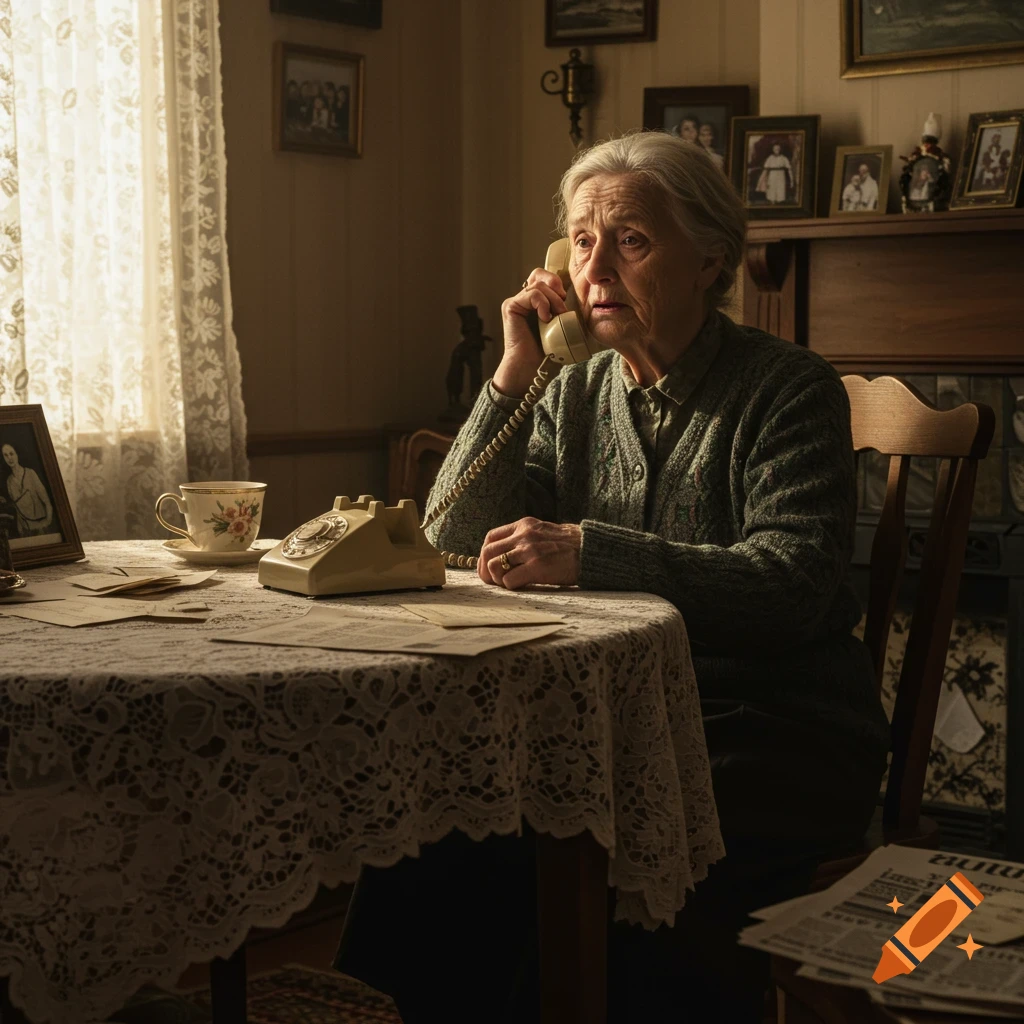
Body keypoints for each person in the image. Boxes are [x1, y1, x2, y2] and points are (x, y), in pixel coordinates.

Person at [333, 131, 889, 1023]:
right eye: (581, 241)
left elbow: (790, 584)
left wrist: (592, 552)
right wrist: (515, 374)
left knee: (601, 846)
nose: (596, 268)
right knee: (451, 818)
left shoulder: (790, 388)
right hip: (611, 718)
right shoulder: (573, 387)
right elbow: (448, 537)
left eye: (629, 240)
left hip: (771, 728)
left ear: (711, 258)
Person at [2, 442, 53, 537]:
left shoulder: (30, 473)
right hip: (25, 530)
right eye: (6, 455)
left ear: (17, 454)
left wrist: (47, 522)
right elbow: (17, 508)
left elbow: (47, 502)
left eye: (11, 453)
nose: (9, 458)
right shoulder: (9, 481)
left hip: (41, 528)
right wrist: (20, 529)